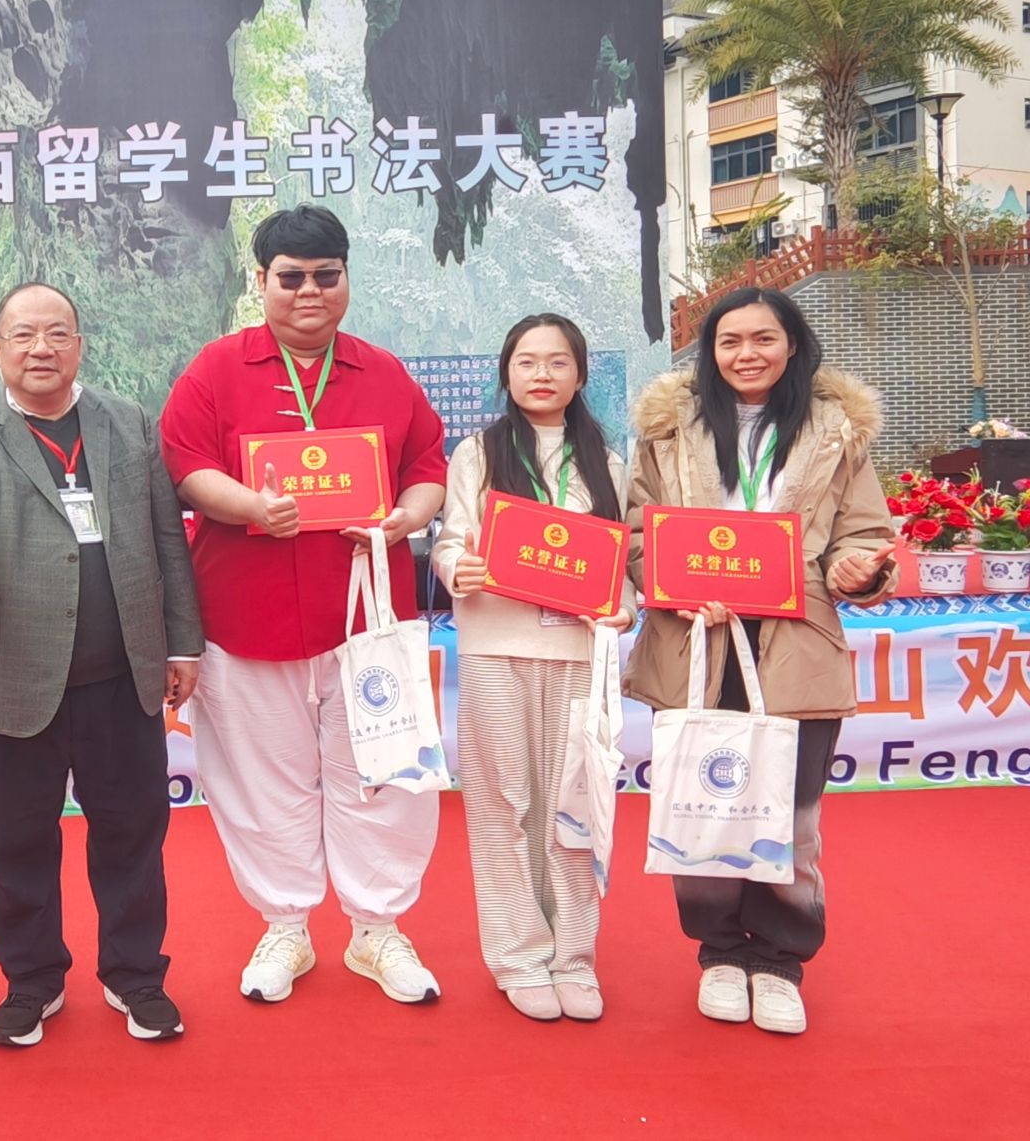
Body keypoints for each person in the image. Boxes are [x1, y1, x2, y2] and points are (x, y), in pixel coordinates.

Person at [159, 204, 448, 1007]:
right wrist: (250, 505)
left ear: (347, 278)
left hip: (367, 618)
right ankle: (284, 924)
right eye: (291, 277)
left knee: (383, 772)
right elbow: (184, 465)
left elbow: (428, 466)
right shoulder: (216, 369)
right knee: (261, 780)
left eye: (327, 275)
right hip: (246, 616)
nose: (310, 291)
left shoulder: (383, 372)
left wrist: (407, 518)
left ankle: (376, 928)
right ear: (262, 281)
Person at [0, 282, 202, 1047]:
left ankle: (136, 975)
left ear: (79, 344)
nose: (41, 347)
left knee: (133, 834)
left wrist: (182, 642)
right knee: (19, 843)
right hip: (12, 679)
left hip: (124, 678)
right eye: (24, 334)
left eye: (57, 333)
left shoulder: (127, 421)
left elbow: (166, 536)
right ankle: (31, 981)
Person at [625, 286, 897, 1036]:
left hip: (796, 642)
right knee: (702, 805)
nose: (747, 354)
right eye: (730, 341)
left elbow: (861, 533)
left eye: (763, 338)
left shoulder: (837, 431)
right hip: (696, 640)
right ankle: (719, 952)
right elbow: (638, 530)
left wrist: (856, 569)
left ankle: (779, 959)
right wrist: (672, 587)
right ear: (710, 352)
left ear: (792, 344)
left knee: (792, 813)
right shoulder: (668, 429)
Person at [430, 314, 634, 1022]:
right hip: (495, 649)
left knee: (571, 807)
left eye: (557, 361)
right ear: (507, 372)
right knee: (502, 805)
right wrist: (459, 567)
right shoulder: (478, 453)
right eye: (526, 361)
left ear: (580, 374)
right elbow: (450, 541)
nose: (541, 373)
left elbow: (621, 562)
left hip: (577, 652)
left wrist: (623, 606)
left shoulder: (608, 462)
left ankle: (574, 956)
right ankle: (518, 956)